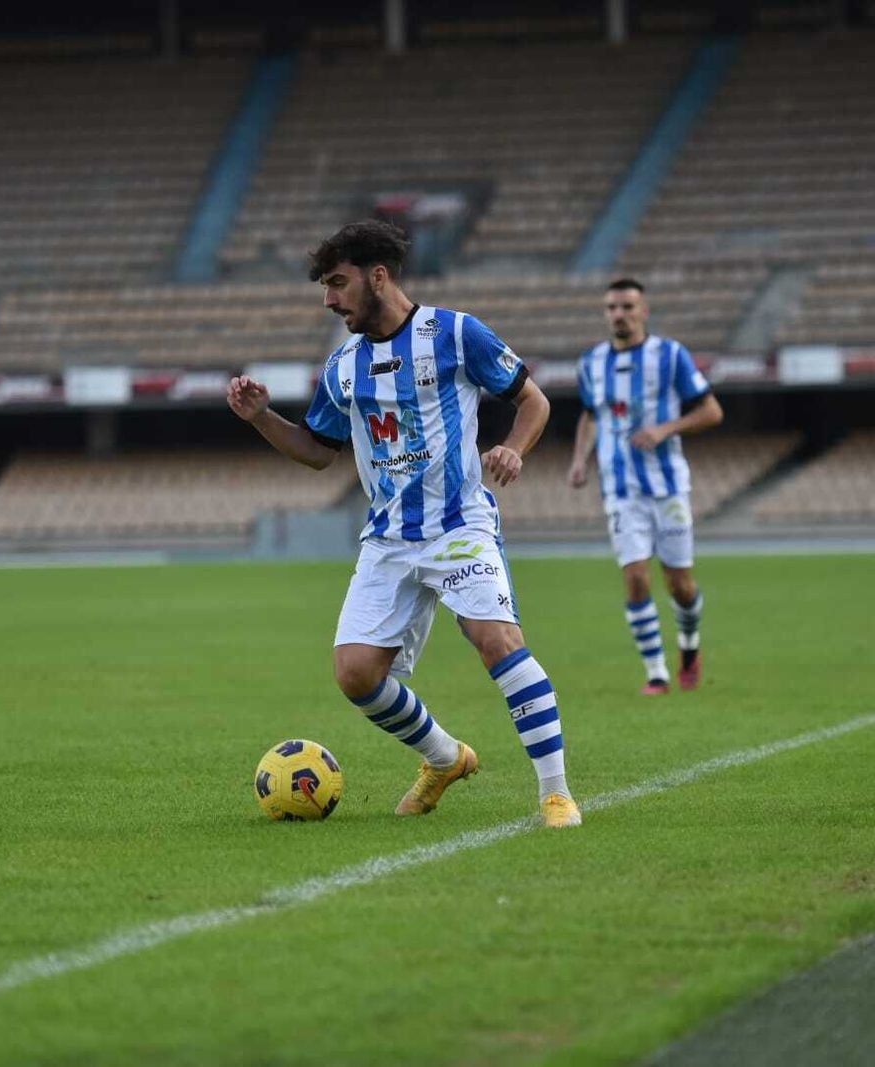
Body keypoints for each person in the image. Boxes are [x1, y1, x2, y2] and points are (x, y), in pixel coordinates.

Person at [226, 220, 580, 828]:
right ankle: (444, 759)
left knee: (497, 641)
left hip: (459, 525)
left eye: (338, 283)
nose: (330, 300)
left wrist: (514, 448)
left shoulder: (455, 333)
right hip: (387, 538)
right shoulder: (341, 368)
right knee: (356, 674)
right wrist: (262, 418)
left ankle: (555, 793)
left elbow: (534, 401)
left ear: (379, 276)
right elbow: (317, 451)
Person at [567, 278, 723, 696]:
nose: (619, 314)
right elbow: (591, 414)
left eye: (627, 306)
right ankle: (656, 673)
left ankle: (689, 645)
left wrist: (666, 428)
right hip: (620, 490)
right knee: (636, 577)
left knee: (680, 584)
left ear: (643, 311)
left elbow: (712, 411)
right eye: (612, 307)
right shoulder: (591, 363)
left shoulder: (670, 356)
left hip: (667, 488)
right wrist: (581, 459)